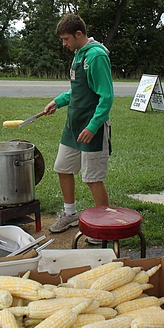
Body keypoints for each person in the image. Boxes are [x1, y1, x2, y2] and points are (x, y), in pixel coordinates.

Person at [43, 13, 114, 238]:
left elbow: (106, 96)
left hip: (92, 127)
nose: (64, 44)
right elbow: (79, 90)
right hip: (73, 125)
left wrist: (93, 126)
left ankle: (102, 226)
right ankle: (70, 213)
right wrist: (58, 101)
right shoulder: (78, 55)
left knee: (93, 178)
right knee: (62, 168)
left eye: (66, 39)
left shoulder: (96, 56)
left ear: (79, 34)